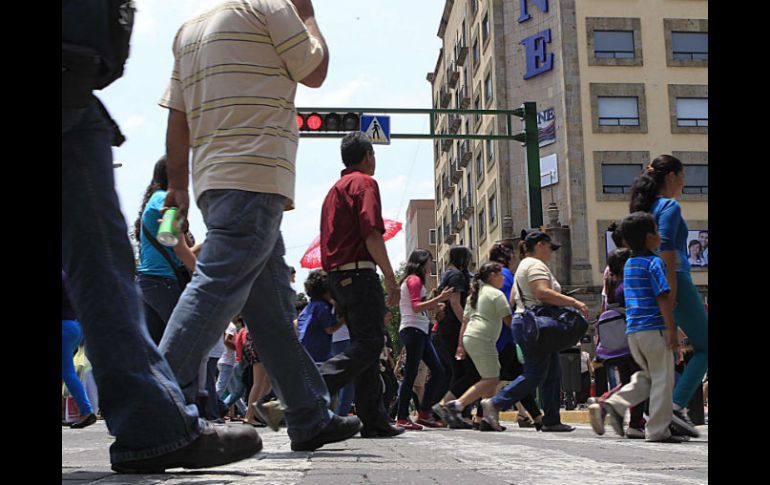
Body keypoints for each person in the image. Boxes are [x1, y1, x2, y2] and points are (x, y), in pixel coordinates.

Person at [63, 0, 265, 472]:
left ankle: (158, 414)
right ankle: (171, 408)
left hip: (74, 76)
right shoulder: (163, 205)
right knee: (184, 331)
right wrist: (197, 266)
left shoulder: (152, 205)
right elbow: (175, 244)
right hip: (160, 280)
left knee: (110, 276)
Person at [157, 0, 362, 453]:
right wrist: (307, 13)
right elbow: (314, 69)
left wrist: (178, 185)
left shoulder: (189, 29)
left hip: (215, 179)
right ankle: (154, 410)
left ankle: (308, 414)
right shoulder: (267, 6)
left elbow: (177, 115)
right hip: (253, 175)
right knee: (215, 285)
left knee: (270, 308)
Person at [317, 131, 404, 439]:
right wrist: (391, 278)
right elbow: (371, 232)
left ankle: (373, 420)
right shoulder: (364, 183)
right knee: (371, 343)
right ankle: (316, 382)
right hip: (360, 273)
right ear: (368, 156)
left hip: (337, 277)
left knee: (363, 346)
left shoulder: (333, 191)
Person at [588, 212, 694, 443]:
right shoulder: (654, 262)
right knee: (663, 379)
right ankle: (657, 430)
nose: (659, 236)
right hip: (654, 328)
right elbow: (663, 296)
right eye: (656, 231)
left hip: (633, 331)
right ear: (649, 237)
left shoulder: (629, 265)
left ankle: (615, 403)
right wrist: (672, 330)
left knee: (647, 377)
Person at [480, 231, 590, 433]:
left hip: (528, 322)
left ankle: (551, 419)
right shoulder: (535, 265)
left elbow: (513, 298)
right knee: (535, 374)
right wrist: (574, 302)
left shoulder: (524, 266)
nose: (551, 252)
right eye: (550, 247)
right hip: (536, 324)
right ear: (540, 245)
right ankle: (495, 403)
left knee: (552, 373)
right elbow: (542, 292)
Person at [629, 154, 707, 437]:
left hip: (648, 285)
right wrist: (671, 292)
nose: (684, 183)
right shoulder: (670, 206)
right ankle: (675, 406)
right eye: (683, 177)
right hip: (676, 279)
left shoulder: (645, 207)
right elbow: (668, 252)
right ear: (671, 176)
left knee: (663, 357)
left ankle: (661, 411)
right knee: (706, 346)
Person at [437, 262, 512, 431]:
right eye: (501, 275)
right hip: (483, 338)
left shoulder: (474, 296)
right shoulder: (496, 294)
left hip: (471, 337)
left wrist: (461, 345)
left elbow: (465, 321)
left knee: (488, 377)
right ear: (492, 275)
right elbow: (509, 321)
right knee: (492, 378)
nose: (503, 279)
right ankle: (456, 405)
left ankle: (487, 419)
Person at [133, 156, 199, 344]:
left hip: (149, 283)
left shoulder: (154, 200)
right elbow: (179, 248)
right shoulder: (166, 201)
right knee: (183, 343)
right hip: (164, 281)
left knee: (158, 349)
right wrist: (206, 276)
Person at [394, 249, 452, 430]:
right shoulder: (414, 280)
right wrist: (440, 298)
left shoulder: (415, 281)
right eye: (429, 261)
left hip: (419, 330)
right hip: (413, 330)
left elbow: (420, 306)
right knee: (411, 374)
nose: (431, 264)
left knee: (438, 370)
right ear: (421, 262)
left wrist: (436, 303)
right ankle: (402, 416)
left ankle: (423, 413)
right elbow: (416, 306)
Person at [489, 241, 543, 429]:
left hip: (498, 336)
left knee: (517, 377)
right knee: (506, 378)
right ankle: (479, 413)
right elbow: (507, 304)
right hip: (505, 336)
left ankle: (535, 417)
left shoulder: (493, 276)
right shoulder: (505, 276)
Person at [432, 246, 479, 429]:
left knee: (458, 372)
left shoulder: (447, 275)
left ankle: (453, 412)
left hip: (446, 330)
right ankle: (446, 408)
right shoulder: (457, 276)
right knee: (469, 372)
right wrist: (466, 325)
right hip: (453, 330)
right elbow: (455, 303)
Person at [62, 271, 96, 429]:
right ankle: (85, 410)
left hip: (64, 326)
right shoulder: (68, 276)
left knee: (67, 372)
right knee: (66, 371)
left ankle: (86, 410)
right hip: (76, 326)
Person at [297, 270, 344, 363]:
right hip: (317, 352)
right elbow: (329, 329)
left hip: (304, 350)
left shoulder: (309, 306)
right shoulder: (322, 307)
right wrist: (343, 320)